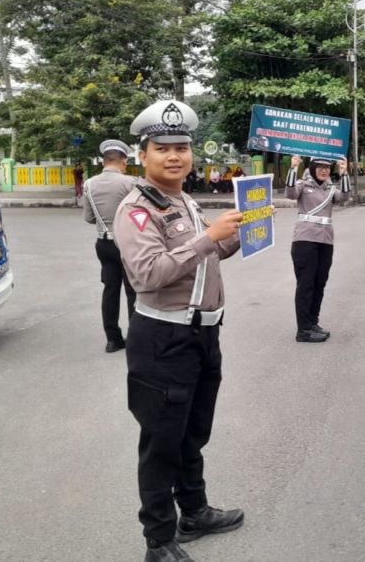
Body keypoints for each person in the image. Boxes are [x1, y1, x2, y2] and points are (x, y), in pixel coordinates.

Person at [113, 100, 245, 562]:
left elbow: (203, 257)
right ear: (142, 155)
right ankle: (159, 541)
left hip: (204, 335)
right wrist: (208, 238)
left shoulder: (184, 200)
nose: (175, 156)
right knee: (161, 442)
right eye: (162, 148)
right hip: (164, 339)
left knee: (193, 432)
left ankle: (194, 510)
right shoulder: (136, 209)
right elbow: (148, 274)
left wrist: (237, 235)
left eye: (182, 147)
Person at [285, 154, 350, 342]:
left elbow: (345, 197)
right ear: (312, 168)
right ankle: (303, 330)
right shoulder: (303, 186)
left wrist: (344, 173)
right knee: (306, 285)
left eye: (327, 167)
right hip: (304, 241)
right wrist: (293, 167)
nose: (324, 170)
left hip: (325, 242)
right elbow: (290, 194)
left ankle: (313, 322)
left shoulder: (330, 188)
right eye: (320, 167)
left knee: (319, 284)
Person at [82, 139, 138, 352]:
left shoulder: (89, 184)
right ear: (123, 161)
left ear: (104, 161)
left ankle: (113, 340)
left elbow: (88, 218)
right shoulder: (131, 183)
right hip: (128, 243)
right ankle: (134, 339)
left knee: (110, 290)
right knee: (133, 291)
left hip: (103, 243)